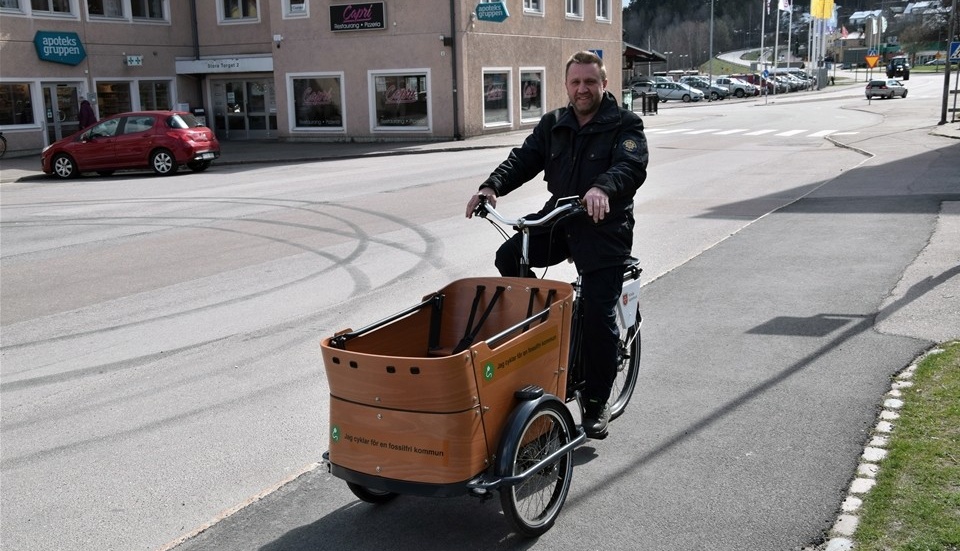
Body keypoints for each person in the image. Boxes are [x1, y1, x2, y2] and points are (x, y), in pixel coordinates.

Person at [465, 51, 649, 439]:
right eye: (575, 82)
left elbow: (630, 168)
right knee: (509, 255)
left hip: (604, 226)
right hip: (562, 216)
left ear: (603, 84)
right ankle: (549, 322)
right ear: (567, 86)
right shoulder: (554, 123)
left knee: (599, 315)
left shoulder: (625, 124)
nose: (582, 89)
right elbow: (524, 158)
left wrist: (603, 187)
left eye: (590, 82)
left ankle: (597, 402)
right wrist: (491, 186)